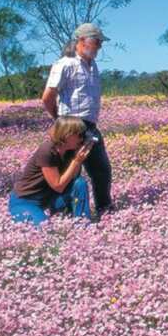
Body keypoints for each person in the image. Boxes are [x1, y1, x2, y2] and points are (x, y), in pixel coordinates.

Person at [43, 22, 112, 215]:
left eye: (100, 42)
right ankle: (65, 212)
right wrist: (60, 121)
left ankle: (104, 208)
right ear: (81, 41)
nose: (99, 46)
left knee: (101, 170)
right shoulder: (65, 64)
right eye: (96, 41)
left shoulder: (93, 65)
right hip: (70, 125)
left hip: (90, 126)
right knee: (71, 173)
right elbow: (47, 97)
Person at [8, 116, 94, 224]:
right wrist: (76, 161)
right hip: (25, 200)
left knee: (79, 183)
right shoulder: (47, 151)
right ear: (67, 135)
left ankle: (83, 223)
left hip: (49, 199)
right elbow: (58, 186)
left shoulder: (70, 151)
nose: (82, 139)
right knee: (44, 227)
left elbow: (73, 179)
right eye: (79, 135)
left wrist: (79, 157)